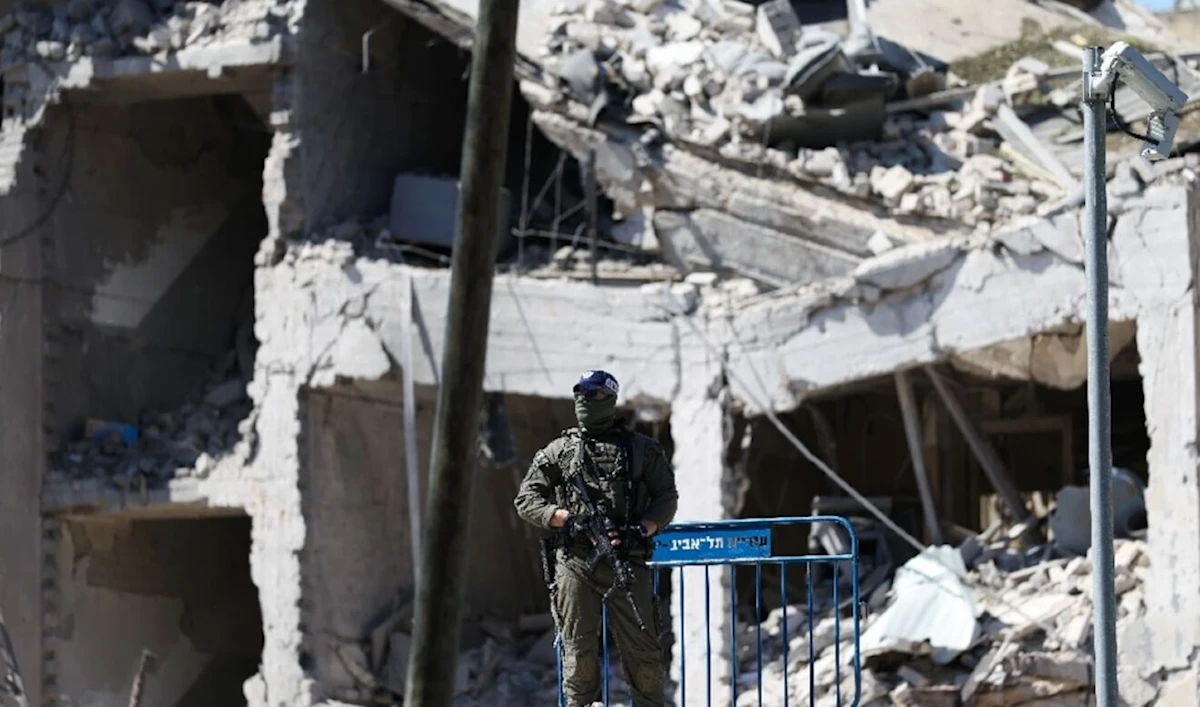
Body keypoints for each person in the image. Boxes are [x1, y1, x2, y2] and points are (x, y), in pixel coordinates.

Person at [514, 369, 679, 707]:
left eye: (596, 395)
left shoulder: (640, 449)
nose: (587, 401)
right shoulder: (561, 450)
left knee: (644, 653)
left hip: (626, 559)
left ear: (611, 399)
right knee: (579, 655)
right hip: (576, 562)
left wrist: (641, 529)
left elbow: (666, 497)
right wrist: (564, 518)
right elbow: (526, 499)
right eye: (582, 395)